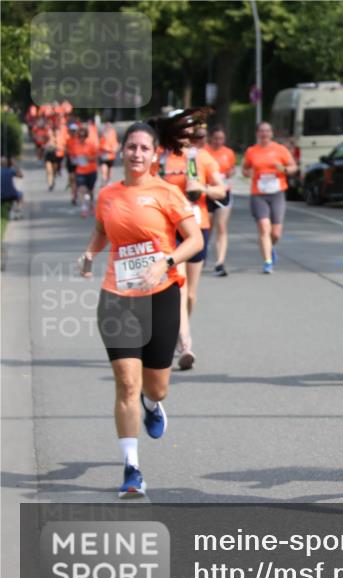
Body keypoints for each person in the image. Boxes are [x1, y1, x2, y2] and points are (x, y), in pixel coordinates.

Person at [78, 117, 203, 498]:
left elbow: (194, 239)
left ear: (154, 155)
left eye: (144, 148)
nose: (136, 153)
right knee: (125, 383)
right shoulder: (109, 194)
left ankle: (152, 405)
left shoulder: (166, 192)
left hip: (161, 294)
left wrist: (164, 262)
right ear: (122, 151)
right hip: (117, 298)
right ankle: (132, 469)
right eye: (131, 147)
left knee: (156, 387)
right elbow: (102, 229)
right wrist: (89, 253)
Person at [155, 115, 226, 370]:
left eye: (186, 131)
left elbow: (223, 190)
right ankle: (185, 343)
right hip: (168, 230)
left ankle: (179, 331)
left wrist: (203, 189)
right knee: (179, 286)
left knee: (191, 293)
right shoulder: (160, 158)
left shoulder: (201, 158)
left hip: (197, 227)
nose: (182, 136)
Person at [242, 122, 297, 274]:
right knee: (264, 228)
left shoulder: (280, 149)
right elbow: (245, 168)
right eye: (261, 131)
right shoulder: (252, 151)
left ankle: (270, 247)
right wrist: (248, 174)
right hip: (258, 194)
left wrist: (284, 169)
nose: (264, 134)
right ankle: (267, 261)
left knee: (276, 233)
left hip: (277, 193)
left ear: (271, 133)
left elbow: (293, 167)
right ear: (257, 133)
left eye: (267, 131)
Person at [204, 125, 237, 276]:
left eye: (221, 139)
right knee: (207, 228)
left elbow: (232, 169)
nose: (218, 141)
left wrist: (229, 174)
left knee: (222, 227)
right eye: (216, 138)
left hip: (223, 193)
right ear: (210, 138)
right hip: (206, 194)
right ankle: (203, 251)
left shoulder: (228, 152)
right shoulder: (204, 152)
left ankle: (220, 262)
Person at [67, 124, 100, 216]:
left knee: (91, 190)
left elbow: (97, 156)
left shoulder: (91, 145)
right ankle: (84, 207)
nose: (81, 138)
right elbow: (72, 157)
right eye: (80, 136)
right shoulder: (75, 145)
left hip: (91, 170)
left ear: (86, 136)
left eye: (83, 136)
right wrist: (74, 159)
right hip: (80, 171)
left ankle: (91, 204)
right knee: (81, 189)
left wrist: (89, 158)